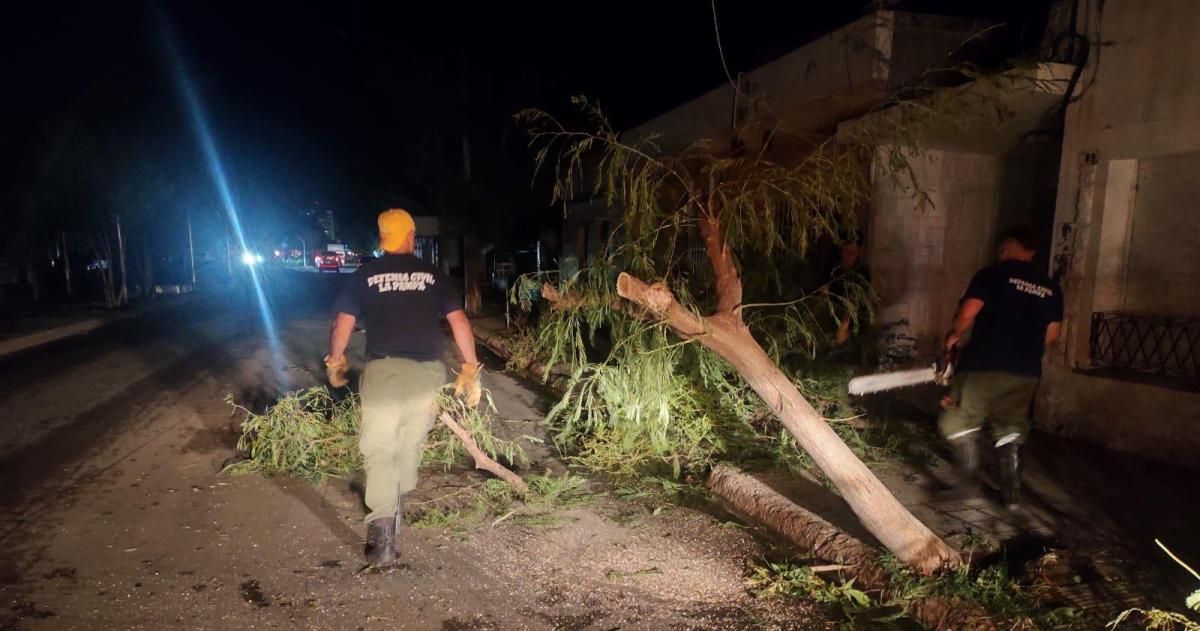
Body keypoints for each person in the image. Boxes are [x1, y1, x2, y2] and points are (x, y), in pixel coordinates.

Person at [324, 208, 482, 565]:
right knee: (409, 442)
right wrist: (469, 368)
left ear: (383, 239)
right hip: (426, 376)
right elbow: (459, 321)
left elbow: (341, 325)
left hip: (383, 373)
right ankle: (397, 496)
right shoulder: (432, 275)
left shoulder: (365, 274)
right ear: (411, 236)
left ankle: (381, 530)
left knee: (379, 447)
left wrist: (336, 361)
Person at [938, 226, 1062, 509]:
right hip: (1025, 371)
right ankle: (1011, 497)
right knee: (1011, 428)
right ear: (1031, 253)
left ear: (1006, 247)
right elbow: (1051, 336)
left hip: (985, 364)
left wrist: (952, 338)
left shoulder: (991, 275)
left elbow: (967, 314)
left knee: (956, 422)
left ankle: (968, 488)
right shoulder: (1050, 288)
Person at [825, 230, 875, 365]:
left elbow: (855, 300)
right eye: (845, 252)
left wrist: (844, 326)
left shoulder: (862, 272)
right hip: (833, 314)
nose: (848, 256)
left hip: (854, 319)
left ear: (859, 251)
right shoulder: (833, 269)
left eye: (852, 252)